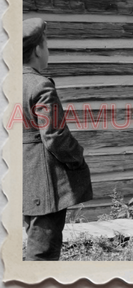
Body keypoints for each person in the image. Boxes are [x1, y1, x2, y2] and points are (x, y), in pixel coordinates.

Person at [22, 18, 92, 260]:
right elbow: (54, 135)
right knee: (43, 251)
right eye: (47, 45)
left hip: (17, 176)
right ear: (38, 49)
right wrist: (77, 158)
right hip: (43, 180)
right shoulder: (39, 85)